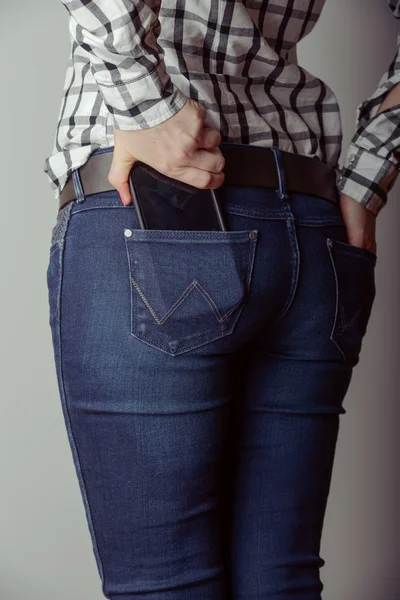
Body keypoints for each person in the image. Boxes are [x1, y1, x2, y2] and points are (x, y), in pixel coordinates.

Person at [44, 1, 400, 599]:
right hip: (312, 226)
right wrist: (366, 179)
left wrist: (146, 102)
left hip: (154, 208)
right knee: (279, 580)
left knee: (164, 585)